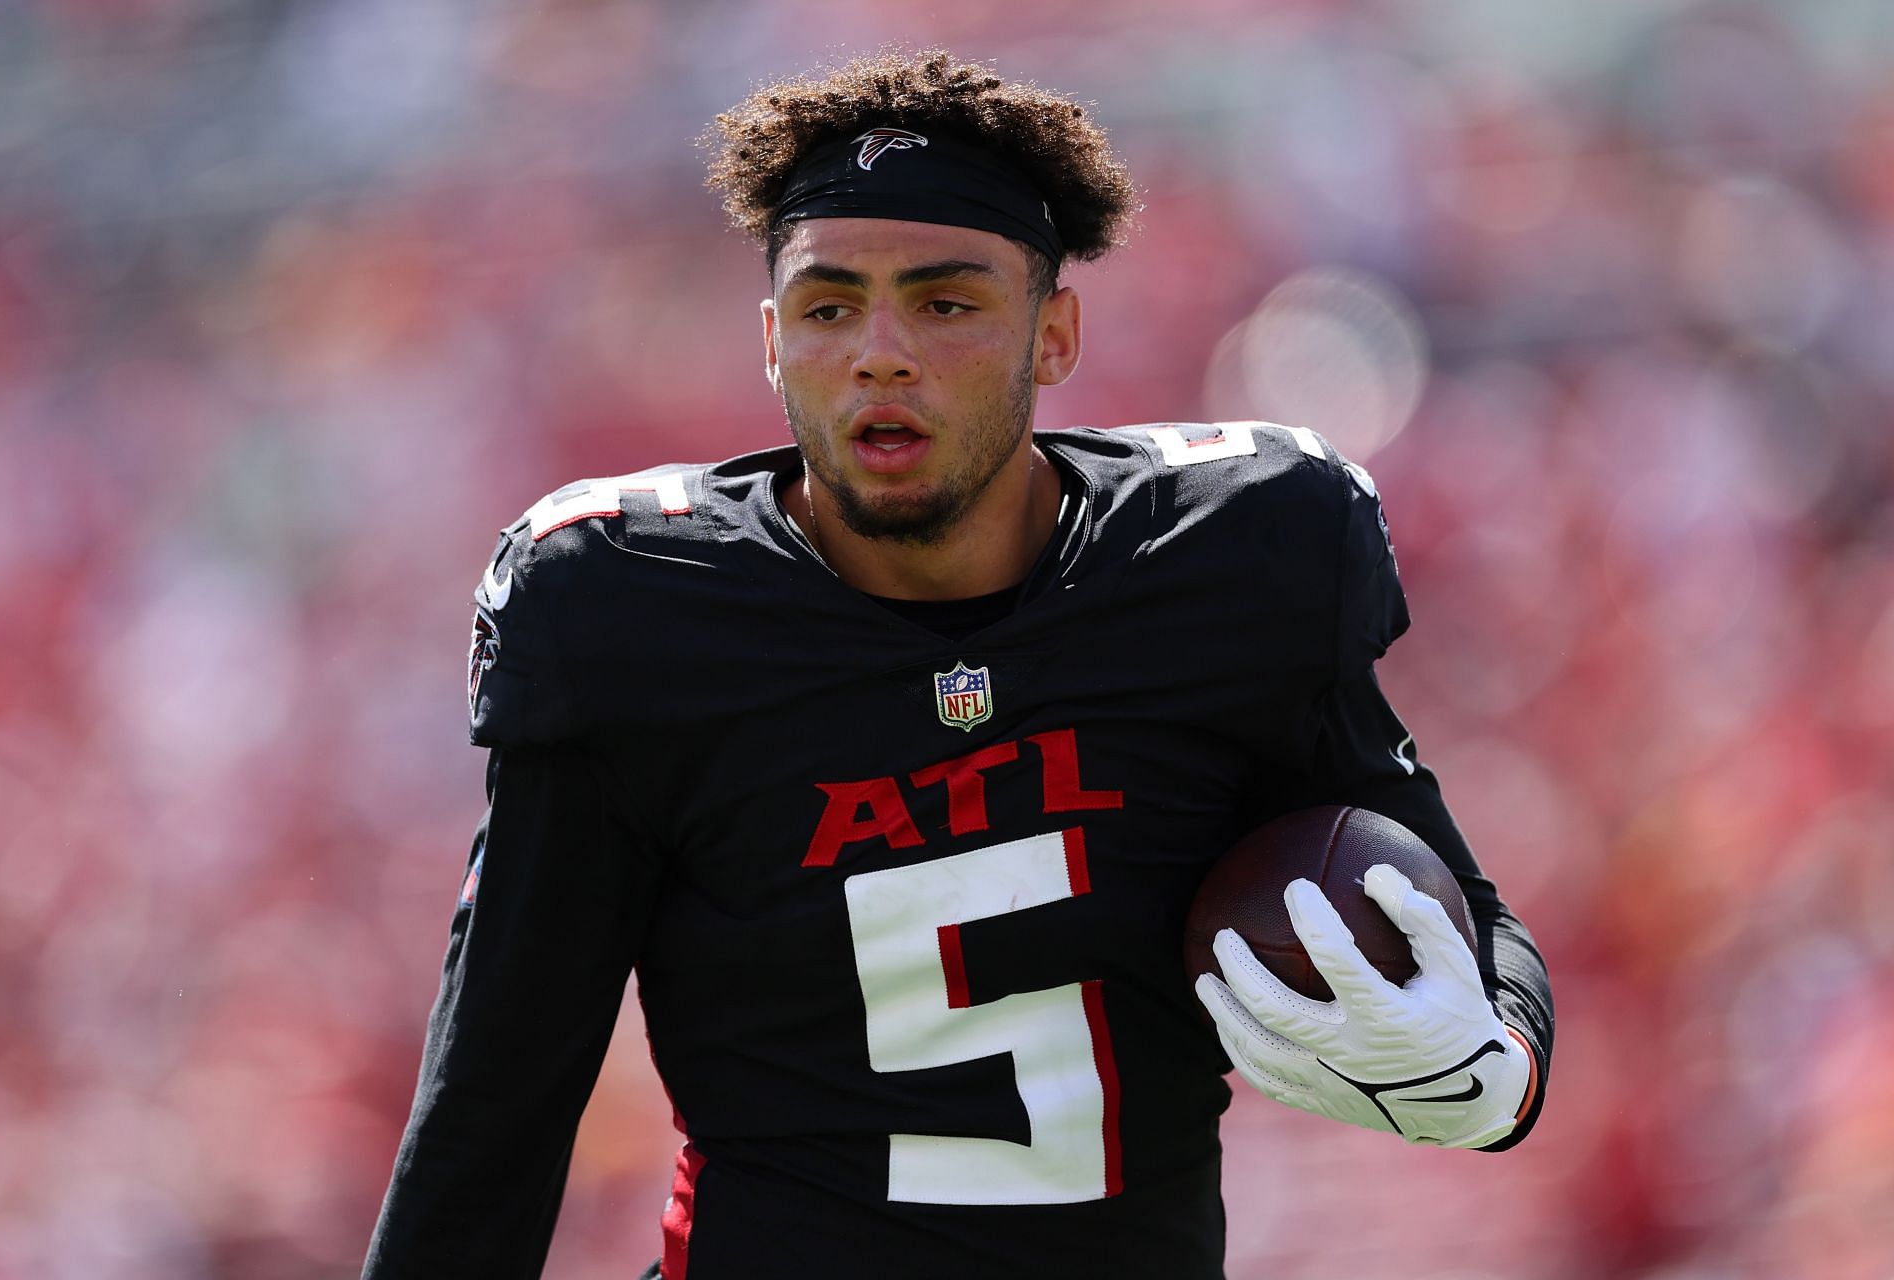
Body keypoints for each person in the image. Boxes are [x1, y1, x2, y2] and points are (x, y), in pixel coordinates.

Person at [361, 49, 1553, 1280]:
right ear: (773, 342)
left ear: (1055, 333)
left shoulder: (1233, 560)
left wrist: (1497, 1065)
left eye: (945, 301)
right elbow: (493, 1107)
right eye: (830, 307)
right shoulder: (636, 613)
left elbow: (1465, 903)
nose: (881, 351)